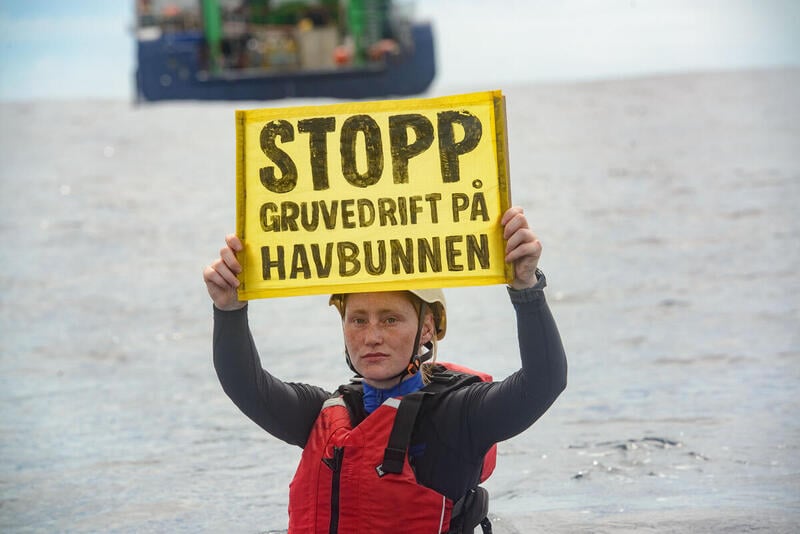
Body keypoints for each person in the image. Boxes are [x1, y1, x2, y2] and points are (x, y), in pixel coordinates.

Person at [203, 206, 567, 533]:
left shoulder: (461, 415)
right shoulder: (321, 414)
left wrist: (526, 289)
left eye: (390, 319)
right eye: (358, 320)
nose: (372, 336)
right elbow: (244, 384)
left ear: (426, 329)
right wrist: (229, 310)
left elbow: (544, 381)